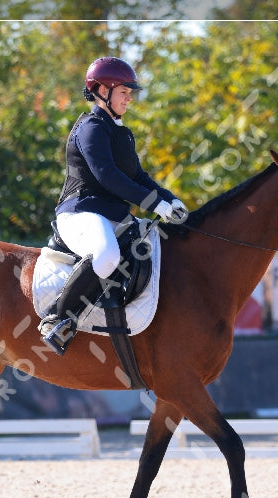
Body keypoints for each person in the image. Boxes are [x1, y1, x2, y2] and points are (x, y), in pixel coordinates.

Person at [38, 56, 188, 355]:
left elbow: (139, 177)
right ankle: (57, 319)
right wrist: (154, 203)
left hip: (112, 215)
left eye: (130, 93)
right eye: (124, 92)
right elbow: (107, 176)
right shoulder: (91, 127)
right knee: (106, 255)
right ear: (101, 90)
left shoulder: (121, 132)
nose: (129, 98)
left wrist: (170, 198)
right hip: (81, 211)